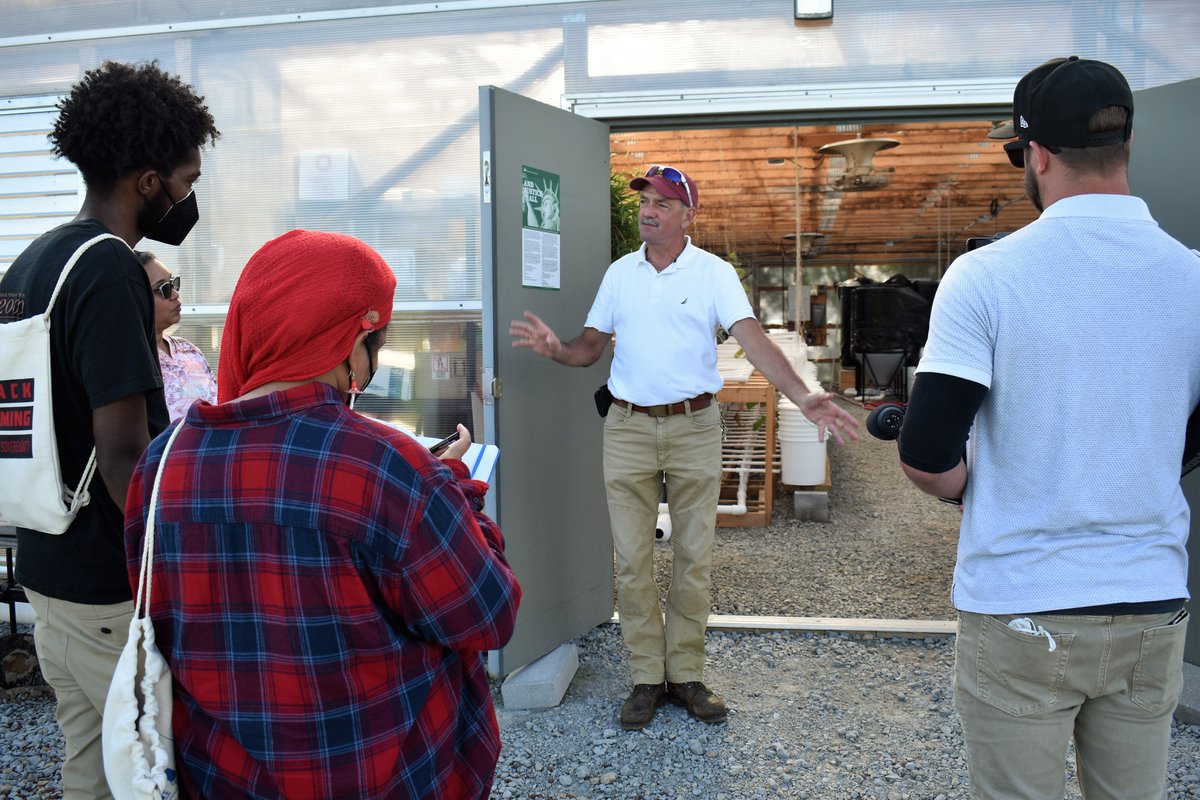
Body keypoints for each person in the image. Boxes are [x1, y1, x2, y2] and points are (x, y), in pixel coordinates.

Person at [124, 229, 522, 799]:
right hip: (377, 774)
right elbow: (485, 612)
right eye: (376, 341)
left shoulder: (161, 464)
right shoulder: (386, 465)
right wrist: (454, 488)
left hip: (222, 777)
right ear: (350, 341)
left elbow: (164, 621)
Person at [897, 56, 1200, 799]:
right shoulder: (1193, 276)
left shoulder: (988, 277)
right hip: (1150, 603)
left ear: (1035, 154)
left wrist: (971, 483)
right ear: (1124, 145)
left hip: (1021, 604)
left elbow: (927, 451)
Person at [509, 165, 859, 730]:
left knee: (695, 558)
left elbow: (754, 341)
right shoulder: (620, 274)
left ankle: (687, 674)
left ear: (688, 216)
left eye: (663, 204)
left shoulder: (714, 274)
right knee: (632, 562)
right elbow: (588, 348)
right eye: (645, 201)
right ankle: (647, 678)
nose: (649, 210)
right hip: (626, 427)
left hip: (695, 425)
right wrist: (556, 349)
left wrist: (806, 393)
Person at [0, 60, 218, 799]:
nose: (189, 198)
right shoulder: (111, 269)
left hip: (44, 566)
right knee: (155, 772)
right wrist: (183, 577)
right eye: (186, 179)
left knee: (89, 765)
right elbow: (124, 450)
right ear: (149, 180)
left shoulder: (34, 259)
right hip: (106, 584)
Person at [136, 250, 217, 421]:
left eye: (173, 283)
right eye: (164, 289)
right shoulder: (134, 362)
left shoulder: (189, 350)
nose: (175, 294)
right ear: (136, 298)